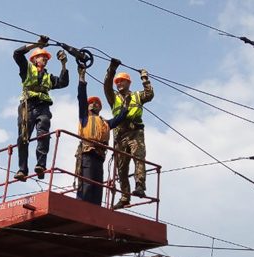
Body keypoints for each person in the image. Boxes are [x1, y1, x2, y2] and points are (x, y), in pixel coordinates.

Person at [13, 36, 69, 181]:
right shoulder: (27, 69)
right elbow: (17, 54)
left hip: (43, 106)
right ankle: (22, 169)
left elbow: (63, 82)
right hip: (27, 106)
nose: (45, 59)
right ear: (34, 59)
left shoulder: (48, 77)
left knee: (43, 131)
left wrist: (63, 64)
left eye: (46, 58)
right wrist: (36, 45)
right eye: (41, 57)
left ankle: (41, 165)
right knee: (23, 137)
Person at [103, 58, 154, 209]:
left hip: (135, 132)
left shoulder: (137, 95)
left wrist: (144, 78)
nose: (119, 84)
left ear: (128, 83)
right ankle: (125, 196)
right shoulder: (113, 97)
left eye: (122, 81)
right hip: (120, 136)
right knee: (121, 167)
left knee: (139, 158)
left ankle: (140, 186)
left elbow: (149, 94)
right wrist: (112, 69)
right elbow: (106, 85)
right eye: (117, 82)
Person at [75, 66, 129, 205]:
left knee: (98, 184)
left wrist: (126, 106)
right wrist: (82, 79)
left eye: (97, 103)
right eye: (92, 103)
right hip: (87, 153)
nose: (94, 104)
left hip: (99, 156)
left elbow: (118, 119)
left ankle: (95, 208)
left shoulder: (105, 123)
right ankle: (82, 206)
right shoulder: (84, 117)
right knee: (87, 183)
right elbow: (81, 98)